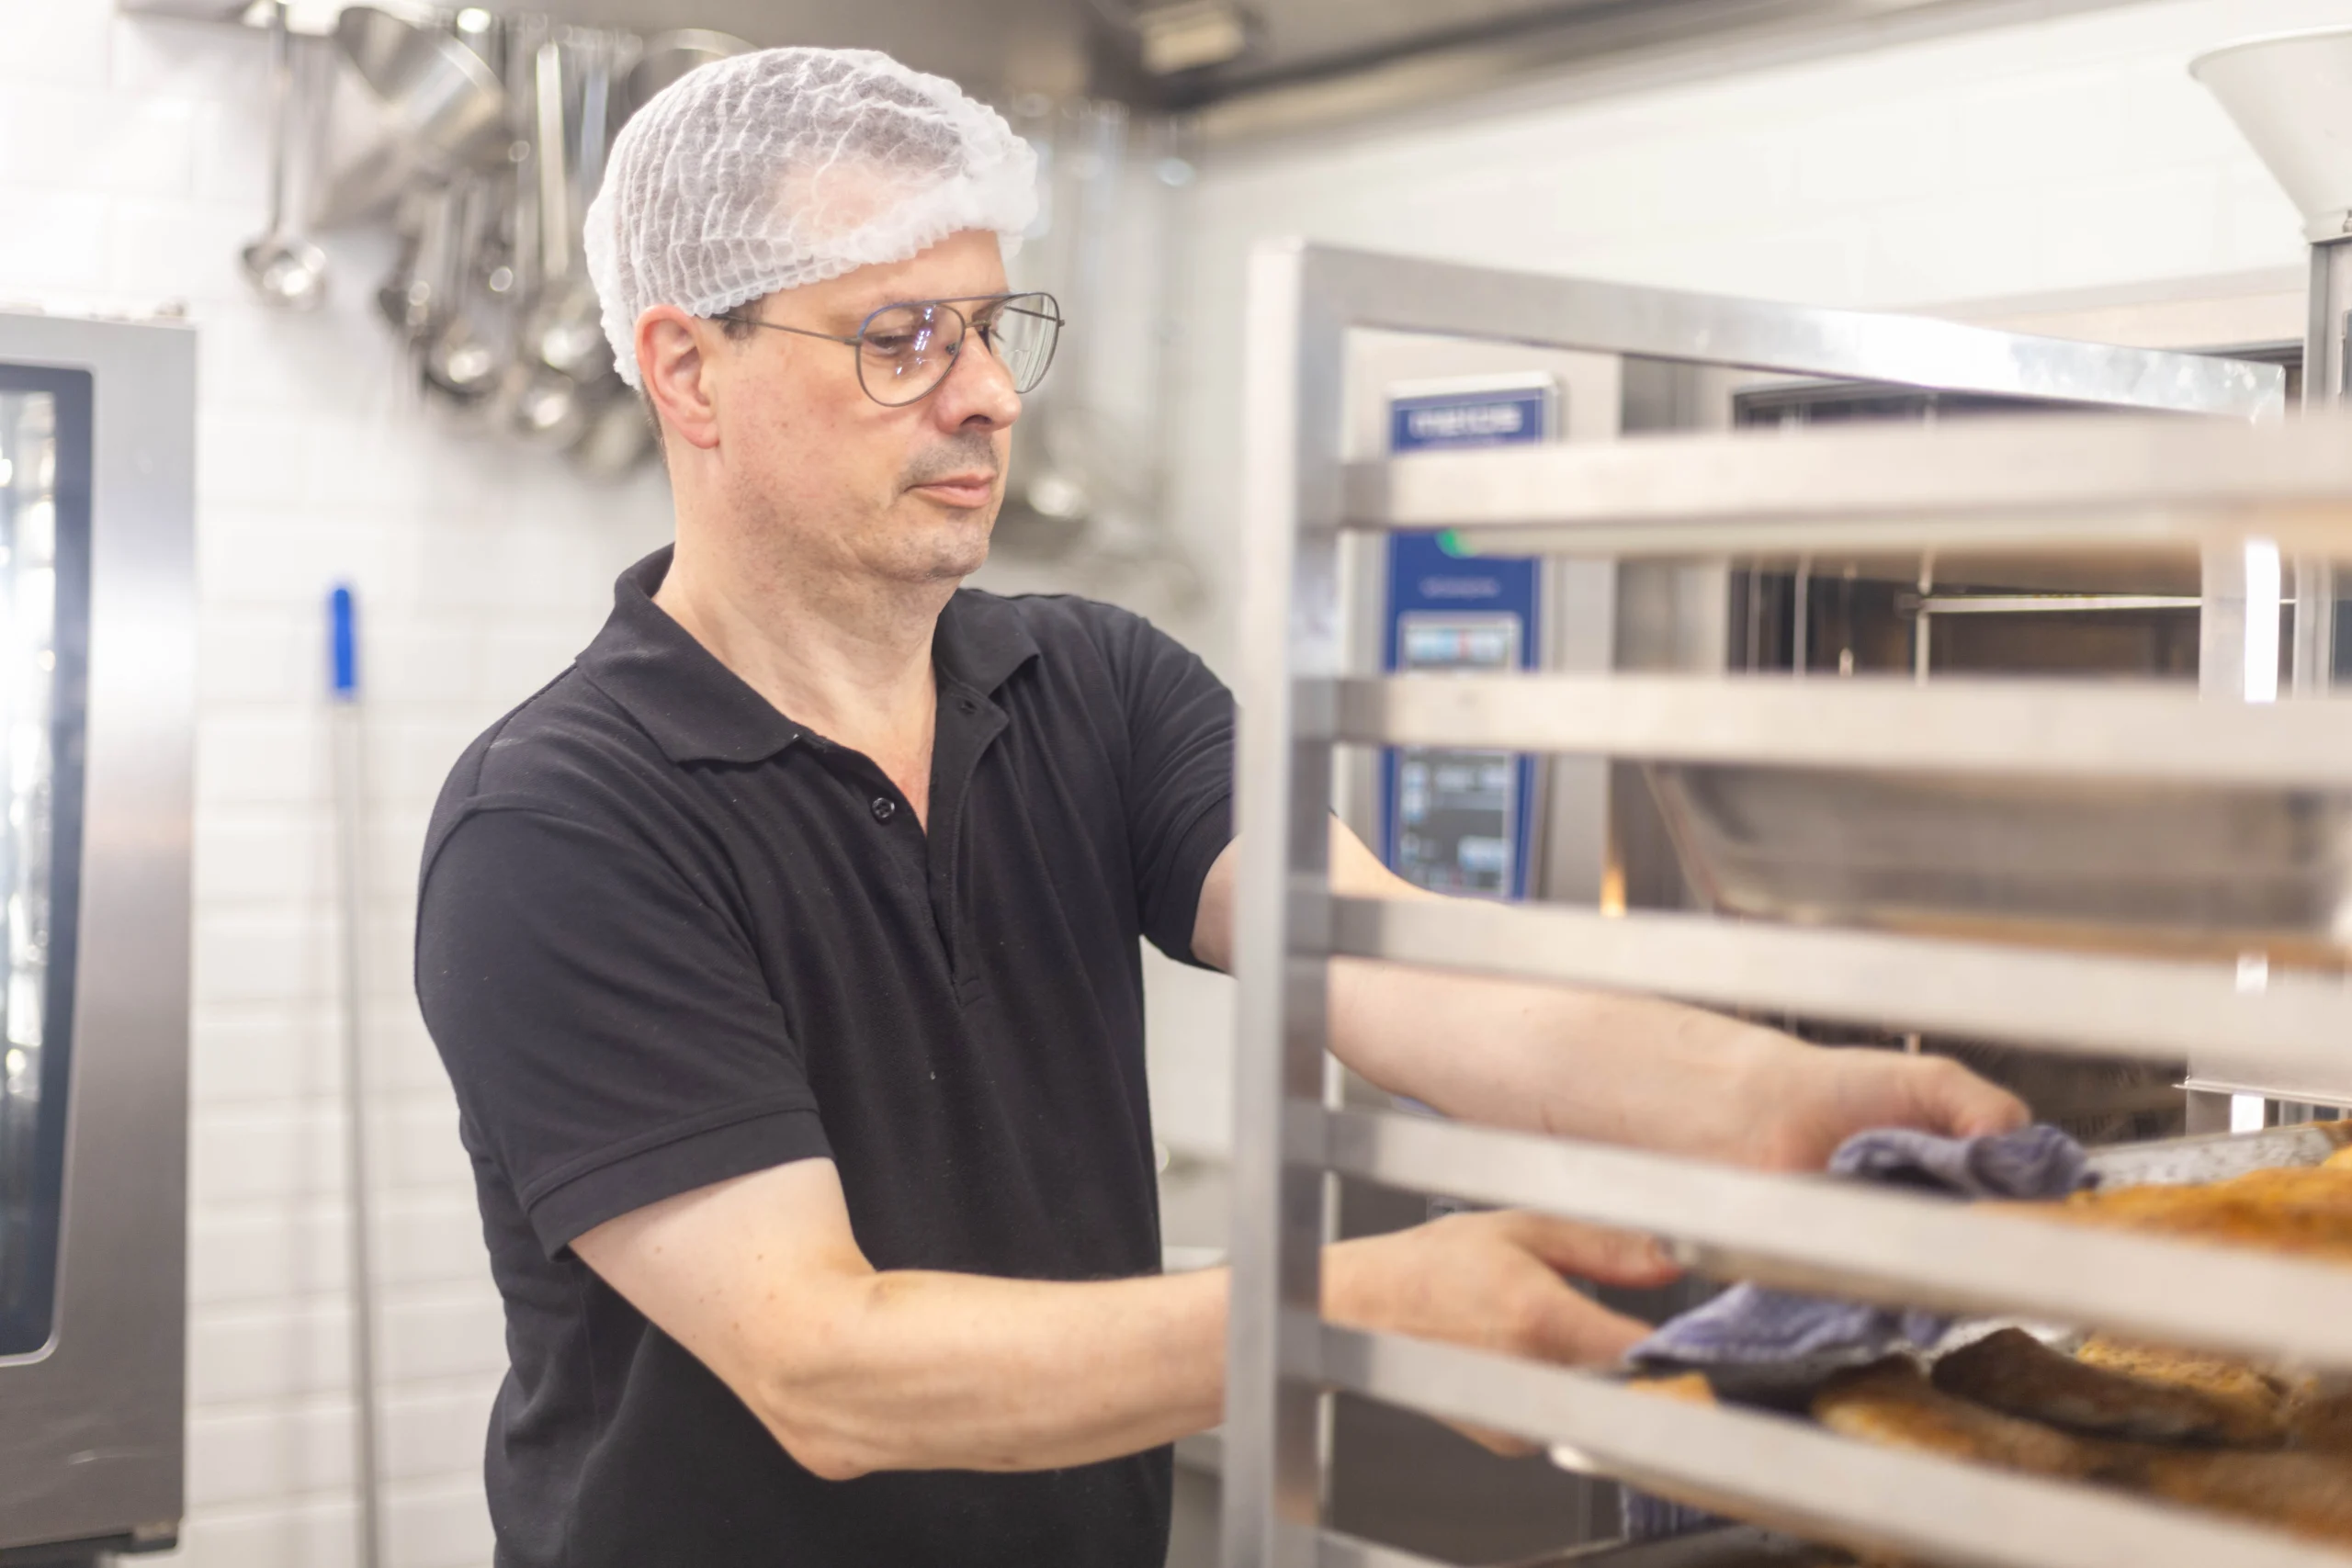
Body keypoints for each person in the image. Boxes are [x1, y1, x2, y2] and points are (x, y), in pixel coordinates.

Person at [414, 46, 2026, 1568]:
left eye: (991, 327)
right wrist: (1356, 1302)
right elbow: (830, 1366)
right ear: (689, 369)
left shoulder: (1093, 689)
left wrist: (1768, 1095)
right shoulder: (560, 824)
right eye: (900, 335)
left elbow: (1404, 970)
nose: (985, 396)